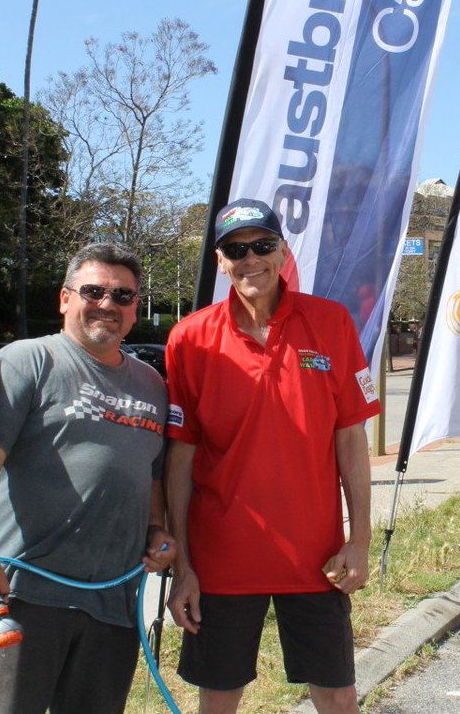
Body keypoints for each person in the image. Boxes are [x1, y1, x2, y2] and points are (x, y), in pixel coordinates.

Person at [163, 199, 381, 713]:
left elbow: (351, 439)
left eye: (262, 245)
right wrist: (183, 568)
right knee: (217, 700)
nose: (250, 258)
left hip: (316, 560)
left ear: (283, 251)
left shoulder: (330, 323)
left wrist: (361, 540)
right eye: (236, 249)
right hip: (221, 562)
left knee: (338, 698)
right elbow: (179, 461)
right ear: (220, 261)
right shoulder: (189, 339)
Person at [0, 243, 175, 713]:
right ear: (64, 299)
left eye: (123, 296)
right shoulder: (26, 361)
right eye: (93, 291)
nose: (107, 305)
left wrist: (157, 529)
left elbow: (151, 474)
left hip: (114, 599)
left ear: (135, 308)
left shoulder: (151, 384)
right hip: (26, 595)